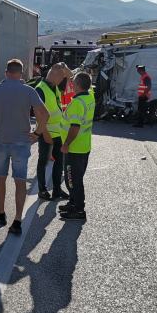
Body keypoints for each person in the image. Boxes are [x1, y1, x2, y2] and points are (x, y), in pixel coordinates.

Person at [0, 59, 51, 235]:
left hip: (0, 141)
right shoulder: (29, 91)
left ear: (6, 72)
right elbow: (44, 114)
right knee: (20, 181)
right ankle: (17, 220)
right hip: (22, 142)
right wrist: (37, 133)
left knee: (0, 177)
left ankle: (1, 214)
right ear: (21, 74)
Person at [59, 72, 96, 221]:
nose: (70, 84)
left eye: (73, 82)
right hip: (84, 146)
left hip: (74, 148)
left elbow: (75, 127)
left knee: (72, 180)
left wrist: (66, 144)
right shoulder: (89, 97)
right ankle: (73, 203)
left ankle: (79, 210)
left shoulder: (77, 104)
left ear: (78, 85)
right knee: (76, 178)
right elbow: (88, 84)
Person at [34, 63, 70, 202]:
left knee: (59, 162)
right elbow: (38, 113)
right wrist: (45, 133)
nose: (63, 79)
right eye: (61, 77)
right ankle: (42, 190)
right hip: (46, 133)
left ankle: (57, 190)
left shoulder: (54, 86)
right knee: (43, 161)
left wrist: (64, 68)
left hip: (58, 133)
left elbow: (70, 76)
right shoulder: (40, 89)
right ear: (54, 76)